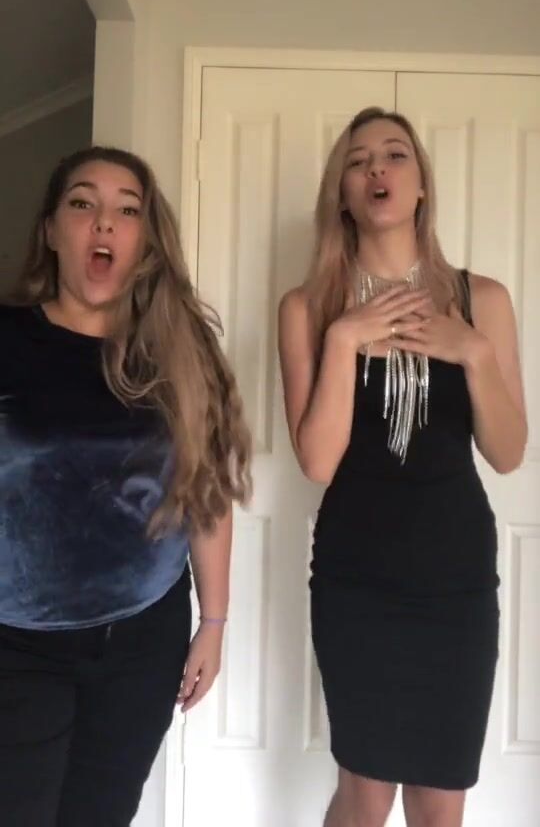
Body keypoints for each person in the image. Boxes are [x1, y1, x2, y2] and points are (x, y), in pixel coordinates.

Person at [278, 107, 527, 827]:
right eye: (358, 161)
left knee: (441, 800)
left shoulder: (482, 300)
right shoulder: (309, 308)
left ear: (421, 186)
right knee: (365, 792)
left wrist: (472, 352)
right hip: (358, 581)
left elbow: (508, 452)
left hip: (456, 580)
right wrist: (344, 340)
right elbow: (318, 461)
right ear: (343, 193)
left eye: (395, 155)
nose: (376, 169)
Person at [0, 145, 251, 827]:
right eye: (82, 203)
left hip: (143, 644)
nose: (104, 222)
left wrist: (214, 622)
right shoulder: (9, 338)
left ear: (146, 240)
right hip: (18, 648)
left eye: (127, 210)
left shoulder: (180, 352)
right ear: (52, 231)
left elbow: (206, 492)